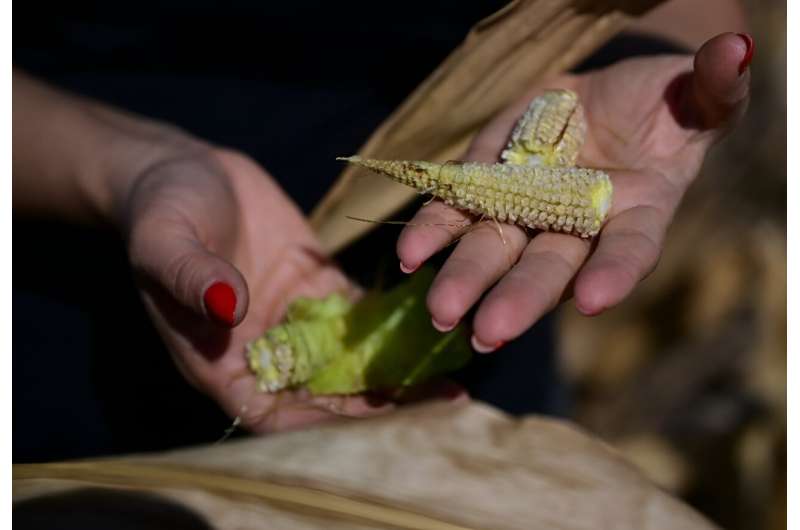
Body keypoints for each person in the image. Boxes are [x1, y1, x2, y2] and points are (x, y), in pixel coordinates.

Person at [13, 1, 752, 452]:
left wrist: (647, 73)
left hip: (482, 313)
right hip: (71, 331)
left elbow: (686, 7)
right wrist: (126, 166)